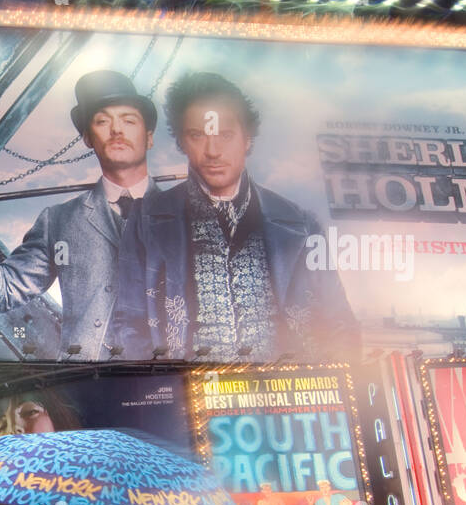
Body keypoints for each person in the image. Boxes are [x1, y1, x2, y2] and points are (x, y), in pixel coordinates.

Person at [114, 71, 359, 362]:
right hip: (186, 398)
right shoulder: (146, 222)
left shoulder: (301, 225)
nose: (213, 151)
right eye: (197, 135)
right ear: (181, 141)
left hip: (289, 396)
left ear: (247, 139)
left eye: (225, 135)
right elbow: (129, 327)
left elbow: (340, 325)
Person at [0, 70, 158, 360]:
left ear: (149, 137)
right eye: (102, 120)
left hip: (169, 380)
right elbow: (3, 293)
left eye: (129, 120)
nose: (116, 130)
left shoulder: (190, 216)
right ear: (87, 138)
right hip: (89, 385)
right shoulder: (58, 221)